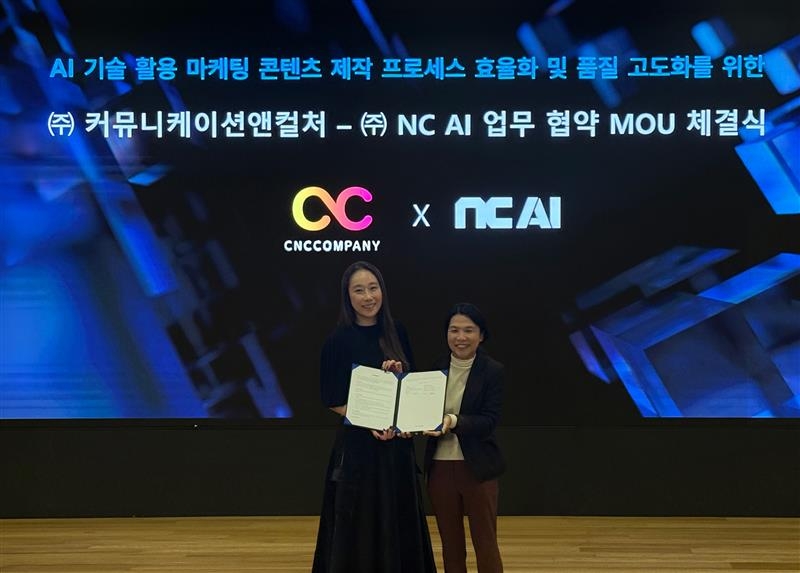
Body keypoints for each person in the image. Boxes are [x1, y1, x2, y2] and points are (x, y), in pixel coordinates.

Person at [312, 261, 437, 573]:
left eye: (373, 288)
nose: (368, 297)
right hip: (359, 452)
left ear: (383, 290)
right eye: (359, 290)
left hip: (397, 451)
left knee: (400, 524)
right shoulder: (337, 340)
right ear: (347, 296)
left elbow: (411, 386)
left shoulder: (398, 331)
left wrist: (399, 383)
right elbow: (331, 399)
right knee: (360, 529)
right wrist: (369, 420)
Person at [424, 303, 506, 573]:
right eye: (454, 330)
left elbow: (489, 420)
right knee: (450, 545)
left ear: (481, 335)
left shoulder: (492, 370)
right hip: (440, 466)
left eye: (468, 330)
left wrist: (454, 421)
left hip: (478, 467)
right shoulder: (435, 368)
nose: (461, 337)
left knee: (485, 542)